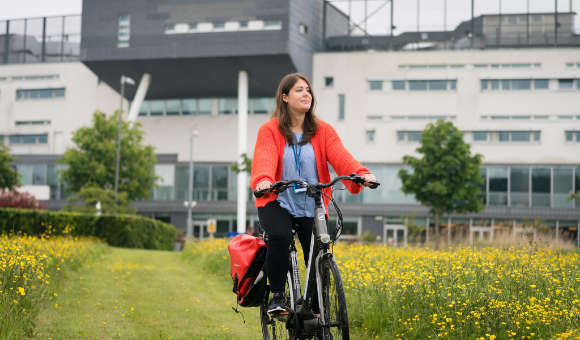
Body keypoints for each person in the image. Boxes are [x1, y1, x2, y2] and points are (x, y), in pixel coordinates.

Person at [250, 73, 377, 315]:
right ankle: (277, 297)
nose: (306, 94)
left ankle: (318, 308)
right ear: (285, 97)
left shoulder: (323, 130)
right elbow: (264, 159)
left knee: (319, 250)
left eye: (308, 90)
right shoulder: (269, 130)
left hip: (312, 201)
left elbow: (342, 157)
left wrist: (361, 174)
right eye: (299, 90)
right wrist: (264, 180)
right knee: (278, 236)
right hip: (278, 199)